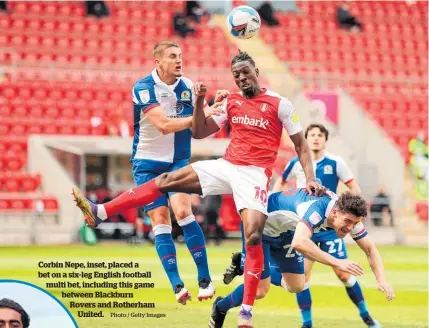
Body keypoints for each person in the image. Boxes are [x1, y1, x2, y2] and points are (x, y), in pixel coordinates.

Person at [72, 51, 325, 328]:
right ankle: (102, 212)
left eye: (245, 71)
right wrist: (200, 101)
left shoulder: (280, 104)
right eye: (236, 74)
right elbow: (199, 132)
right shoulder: (231, 102)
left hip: (254, 175)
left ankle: (246, 311)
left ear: (256, 69)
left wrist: (310, 177)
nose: (241, 78)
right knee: (166, 180)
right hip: (227, 164)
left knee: (253, 235)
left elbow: (300, 145)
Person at [224, 123, 382, 328]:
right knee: (301, 279)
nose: (316, 138)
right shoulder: (296, 163)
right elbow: (281, 184)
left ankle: (366, 317)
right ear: (306, 140)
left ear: (326, 139)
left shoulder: (336, 162)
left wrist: (353, 213)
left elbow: (353, 187)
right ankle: (307, 323)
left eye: (320, 135)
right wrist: (272, 200)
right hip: (302, 223)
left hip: (330, 224)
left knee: (343, 273)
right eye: (312, 135)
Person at [209, 190, 395, 328]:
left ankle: (244, 265)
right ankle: (220, 307)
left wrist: (382, 280)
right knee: (260, 290)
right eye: (347, 222)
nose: (350, 227)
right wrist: (336, 262)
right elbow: (299, 242)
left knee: (297, 285)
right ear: (335, 213)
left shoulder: (348, 215)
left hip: (286, 232)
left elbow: (370, 248)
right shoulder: (316, 210)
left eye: (354, 223)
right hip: (259, 227)